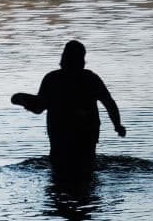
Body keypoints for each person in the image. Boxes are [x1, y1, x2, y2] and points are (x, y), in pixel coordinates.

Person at [11, 40, 126, 176]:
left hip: (60, 133)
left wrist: (25, 101)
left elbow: (39, 108)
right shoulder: (91, 79)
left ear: (63, 58)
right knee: (87, 167)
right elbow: (109, 103)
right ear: (82, 59)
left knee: (59, 168)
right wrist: (117, 125)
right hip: (87, 131)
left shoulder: (52, 79)